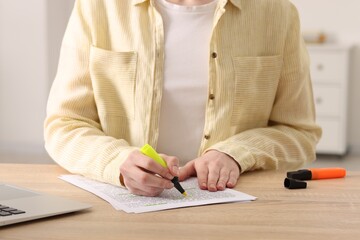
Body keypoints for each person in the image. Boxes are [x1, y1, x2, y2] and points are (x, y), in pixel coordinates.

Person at [44, 0, 321, 197]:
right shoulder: (97, 7)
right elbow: (64, 125)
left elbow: (299, 132)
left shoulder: (277, 13)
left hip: (235, 212)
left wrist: (236, 154)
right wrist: (118, 161)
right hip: (121, 212)